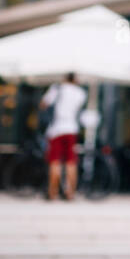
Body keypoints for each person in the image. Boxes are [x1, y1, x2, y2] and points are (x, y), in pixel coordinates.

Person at [40, 73, 87, 201]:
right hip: (72, 129)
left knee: (55, 161)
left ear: (65, 77)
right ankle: (70, 192)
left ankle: (52, 192)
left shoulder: (57, 89)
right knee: (71, 162)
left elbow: (43, 104)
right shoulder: (81, 93)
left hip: (56, 130)